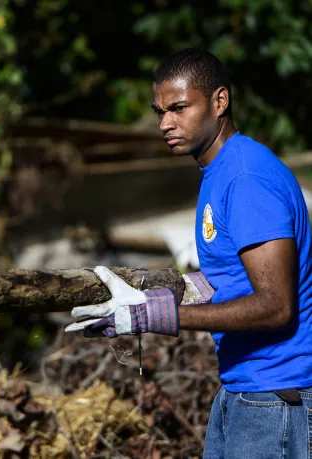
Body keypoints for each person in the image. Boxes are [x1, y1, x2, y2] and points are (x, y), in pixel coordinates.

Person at [65, 48, 312, 458]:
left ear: (219, 101)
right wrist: (144, 301)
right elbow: (230, 279)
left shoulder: (247, 177)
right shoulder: (217, 171)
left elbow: (276, 305)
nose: (165, 123)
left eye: (179, 108)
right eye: (160, 111)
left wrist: (156, 317)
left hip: (276, 398)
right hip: (242, 388)